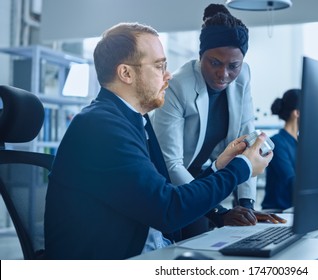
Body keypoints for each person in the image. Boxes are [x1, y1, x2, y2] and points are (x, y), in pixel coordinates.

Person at [44, 22, 276, 260]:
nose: (167, 76)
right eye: (159, 66)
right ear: (126, 73)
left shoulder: (133, 121)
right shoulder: (101, 127)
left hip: (151, 249)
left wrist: (218, 167)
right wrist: (242, 167)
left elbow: (164, 194)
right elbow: (168, 209)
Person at [152, 4, 278, 239]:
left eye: (233, 66)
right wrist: (217, 211)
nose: (224, 74)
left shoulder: (243, 78)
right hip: (171, 187)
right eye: (214, 62)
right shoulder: (178, 86)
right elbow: (171, 165)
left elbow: (248, 146)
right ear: (201, 57)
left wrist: (247, 206)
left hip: (205, 178)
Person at [261, 89, 301, 211]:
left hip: (295, 209)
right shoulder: (277, 143)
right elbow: (291, 183)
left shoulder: (302, 142)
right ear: (297, 113)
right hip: (278, 211)